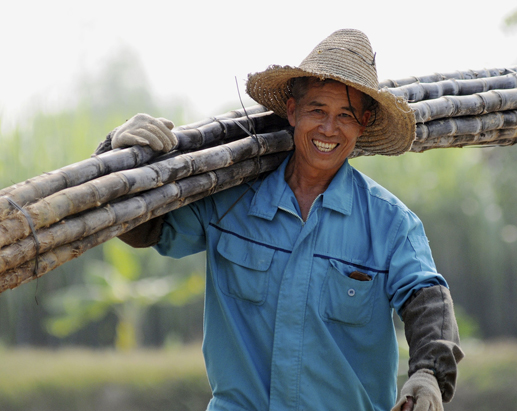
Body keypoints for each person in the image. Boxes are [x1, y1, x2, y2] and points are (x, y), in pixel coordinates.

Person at [103, 28, 464, 411]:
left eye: (345, 115)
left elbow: (428, 300)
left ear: (364, 123)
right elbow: (144, 228)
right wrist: (115, 155)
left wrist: (429, 374)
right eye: (317, 111)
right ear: (292, 111)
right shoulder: (230, 200)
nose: (329, 128)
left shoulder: (390, 224)